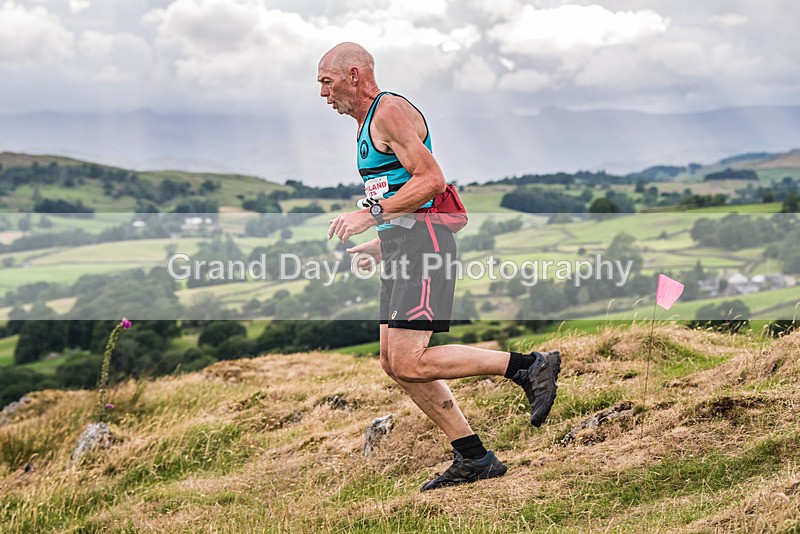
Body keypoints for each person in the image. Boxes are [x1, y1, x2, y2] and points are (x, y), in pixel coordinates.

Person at [319, 42, 560, 491]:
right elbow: (402, 192)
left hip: (423, 245)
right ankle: (473, 456)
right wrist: (380, 242)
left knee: (411, 359)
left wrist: (368, 217)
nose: (322, 93)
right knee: (394, 362)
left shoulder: (389, 110)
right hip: (402, 245)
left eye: (325, 81)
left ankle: (529, 366)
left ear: (353, 74)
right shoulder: (365, 125)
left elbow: (432, 181)